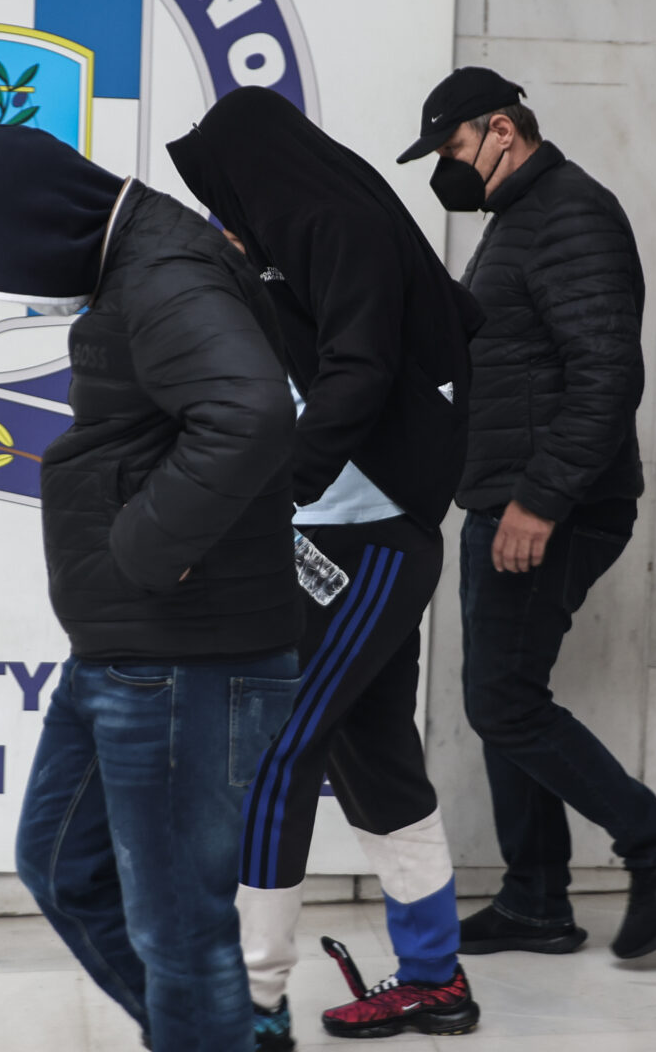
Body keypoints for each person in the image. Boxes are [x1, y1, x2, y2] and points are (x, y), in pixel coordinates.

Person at [0, 125, 303, 1052]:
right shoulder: (140, 265)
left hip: (185, 657)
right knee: (63, 867)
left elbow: (253, 410)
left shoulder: (166, 274)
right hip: (131, 651)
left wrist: (144, 548)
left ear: (36, 225)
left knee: (180, 931)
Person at [168, 87, 486, 1045]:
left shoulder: (339, 225)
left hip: (371, 533)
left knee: (278, 751)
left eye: (226, 195)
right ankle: (434, 980)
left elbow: (361, 369)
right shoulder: (304, 230)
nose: (225, 214)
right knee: (375, 757)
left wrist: (278, 491)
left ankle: (253, 1002)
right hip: (344, 529)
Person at [397, 67, 656, 960]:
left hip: (548, 502)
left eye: (453, 147)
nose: (446, 167)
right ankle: (536, 899)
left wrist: (538, 501)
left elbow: (607, 374)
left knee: (502, 701)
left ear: (502, 129)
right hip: (508, 492)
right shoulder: (520, 218)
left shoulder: (570, 213)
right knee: (509, 696)